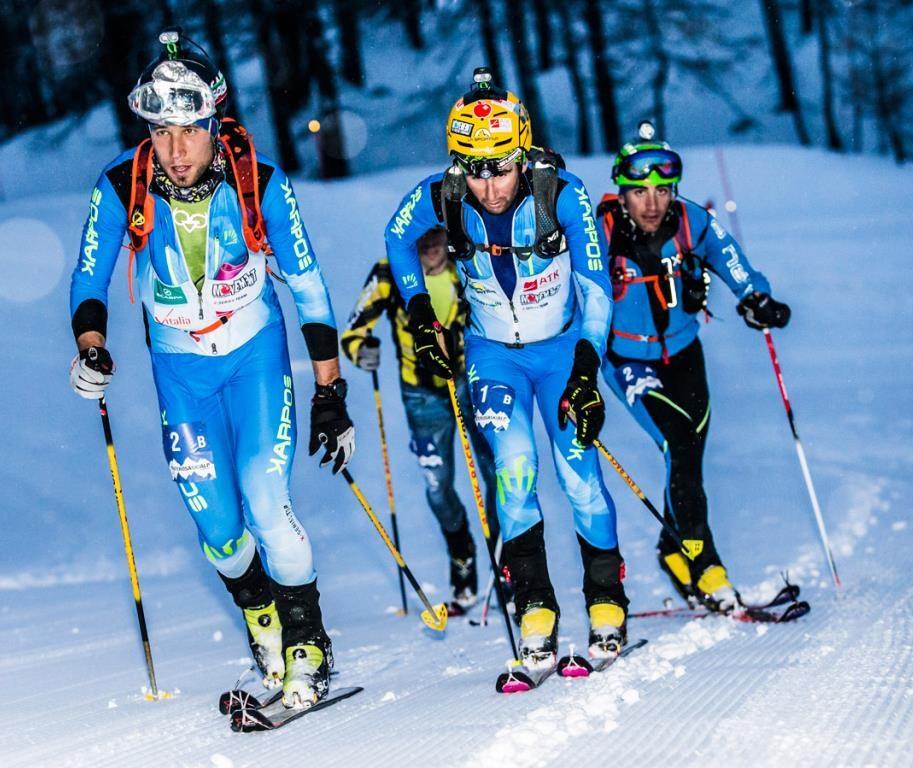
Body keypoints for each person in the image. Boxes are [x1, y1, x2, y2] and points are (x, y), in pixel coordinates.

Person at [68, 29, 355, 708]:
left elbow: (308, 287)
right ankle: (263, 626)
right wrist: (90, 345)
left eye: (188, 130)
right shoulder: (122, 185)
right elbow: (89, 275)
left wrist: (329, 390)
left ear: (214, 122)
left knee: (266, 498)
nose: (173, 149)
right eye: (159, 131)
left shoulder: (259, 181)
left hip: (254, 355)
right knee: (220, 533)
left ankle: (308, 641)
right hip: (182, 373)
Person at [384, 68, 630, 665]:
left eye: (500, 166)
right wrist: (420, 312)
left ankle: (606, 600)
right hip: (492, 357)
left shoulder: (561, 195)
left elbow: (596, 288)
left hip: (562, 354)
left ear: (522, 154)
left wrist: (587, 367)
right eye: (473, 168)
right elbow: (396, 239)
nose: (488, 185)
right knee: (515, 472)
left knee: (578, 475)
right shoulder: (441, 196)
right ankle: (536, 608)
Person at [596, 122, 791, 612]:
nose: (652, 202)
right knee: (679, 443)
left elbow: (731, 258)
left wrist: (755, 297)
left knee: (688, 455)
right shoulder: (598, 231)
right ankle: (708, 569)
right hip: (628, 358)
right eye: (639, 191)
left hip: (684, 352)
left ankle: (672, 551)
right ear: (622, 191)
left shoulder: (691, 222)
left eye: (662, 190)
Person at [341, 227, 499, 614]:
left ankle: (506, 565)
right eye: (420, 240)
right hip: (422, 396)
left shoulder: (467, 265)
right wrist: (364, 351)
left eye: (437, 237)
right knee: (437, 487)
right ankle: (462, 558)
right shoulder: (388, 273)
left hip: (471, 383)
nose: (430, 247)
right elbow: (354, 330)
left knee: (497, 473)